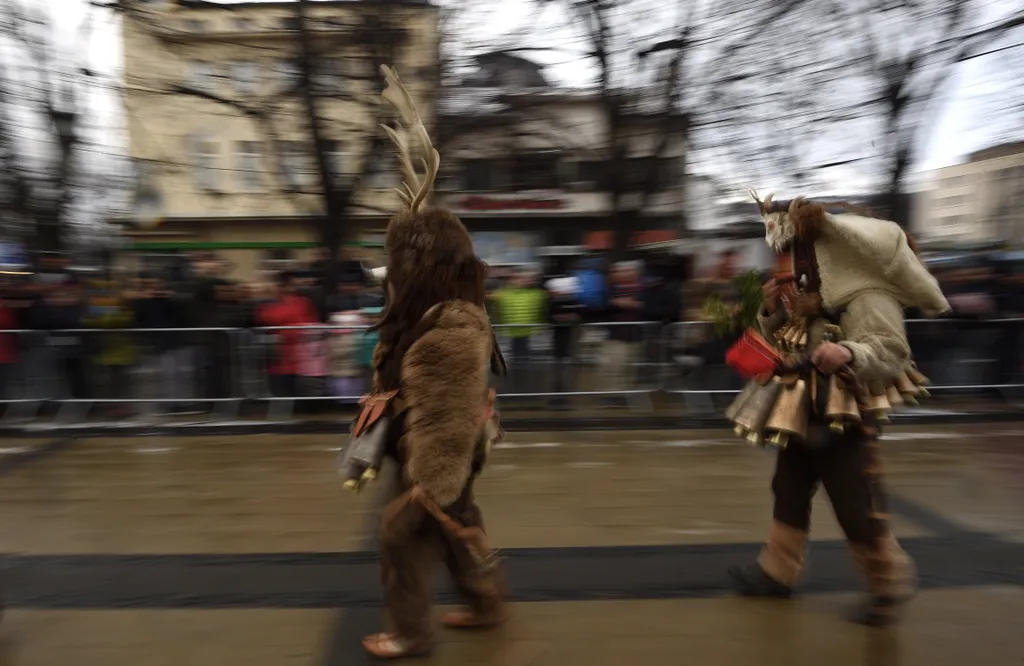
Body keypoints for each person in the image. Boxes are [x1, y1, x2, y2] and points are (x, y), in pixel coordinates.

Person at [725, 194, 950, 627]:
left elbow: (892, 352)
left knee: (854, 501)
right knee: (787, 486)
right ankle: (777, 570)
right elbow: (784, 336)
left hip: (845, 411)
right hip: (799, 407)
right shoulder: (809, 292)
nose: (788, 264)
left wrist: (847, 351)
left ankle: (888, 583)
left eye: (796, 255)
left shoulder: (864, 296)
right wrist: (770, 309)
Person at [356, 65, 508, 659]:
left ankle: (411, 634)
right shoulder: (426, 314)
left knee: (401, 535)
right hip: (421, 448)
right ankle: (486, 601)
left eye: (398, 265)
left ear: (419, 268)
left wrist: (424, 490)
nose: (390, 275)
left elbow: (444, 420)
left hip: (434, 458)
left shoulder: (447, 327)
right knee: (454, 529)